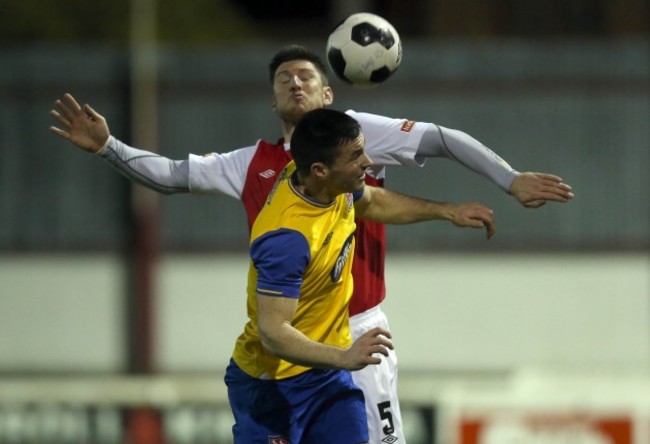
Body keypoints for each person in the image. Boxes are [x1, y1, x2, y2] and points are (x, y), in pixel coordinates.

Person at [49, 44, 573, 443]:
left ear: (329, 94)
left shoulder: (356, 135)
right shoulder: (256, 169)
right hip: (284, 346)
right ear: (274, 100)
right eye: (284, 79)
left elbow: (428, 148)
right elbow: (169, 174)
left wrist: (499, 183)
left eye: (306, 76)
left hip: (356, 329)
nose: (295, 84)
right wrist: (109, 147)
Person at [227, 107, 487, 443]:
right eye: (355, 155)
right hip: (272, 388)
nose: (368, 161)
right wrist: (343, 356)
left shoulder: (324, 183)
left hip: (327, 380)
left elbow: (373, 202)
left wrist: (446, 211)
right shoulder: (287, 238)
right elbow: (273, 333)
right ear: (320, 170)